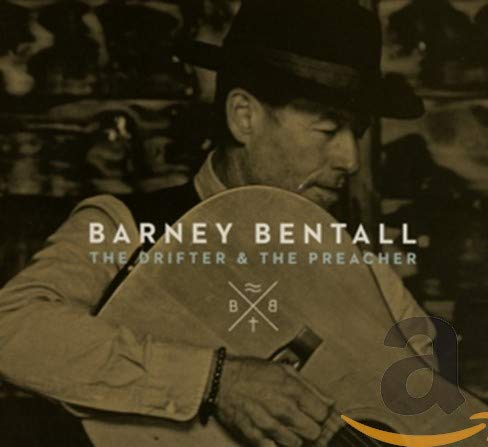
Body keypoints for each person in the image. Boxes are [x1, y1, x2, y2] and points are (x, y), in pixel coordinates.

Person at [0, 1, 432, 446]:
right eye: (327, 130)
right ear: (244, 117)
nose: (350, 160)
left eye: (357, 133)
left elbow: (425, 396)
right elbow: (11, 328)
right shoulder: (126, 228)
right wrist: (216, 382)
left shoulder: (351, 262)